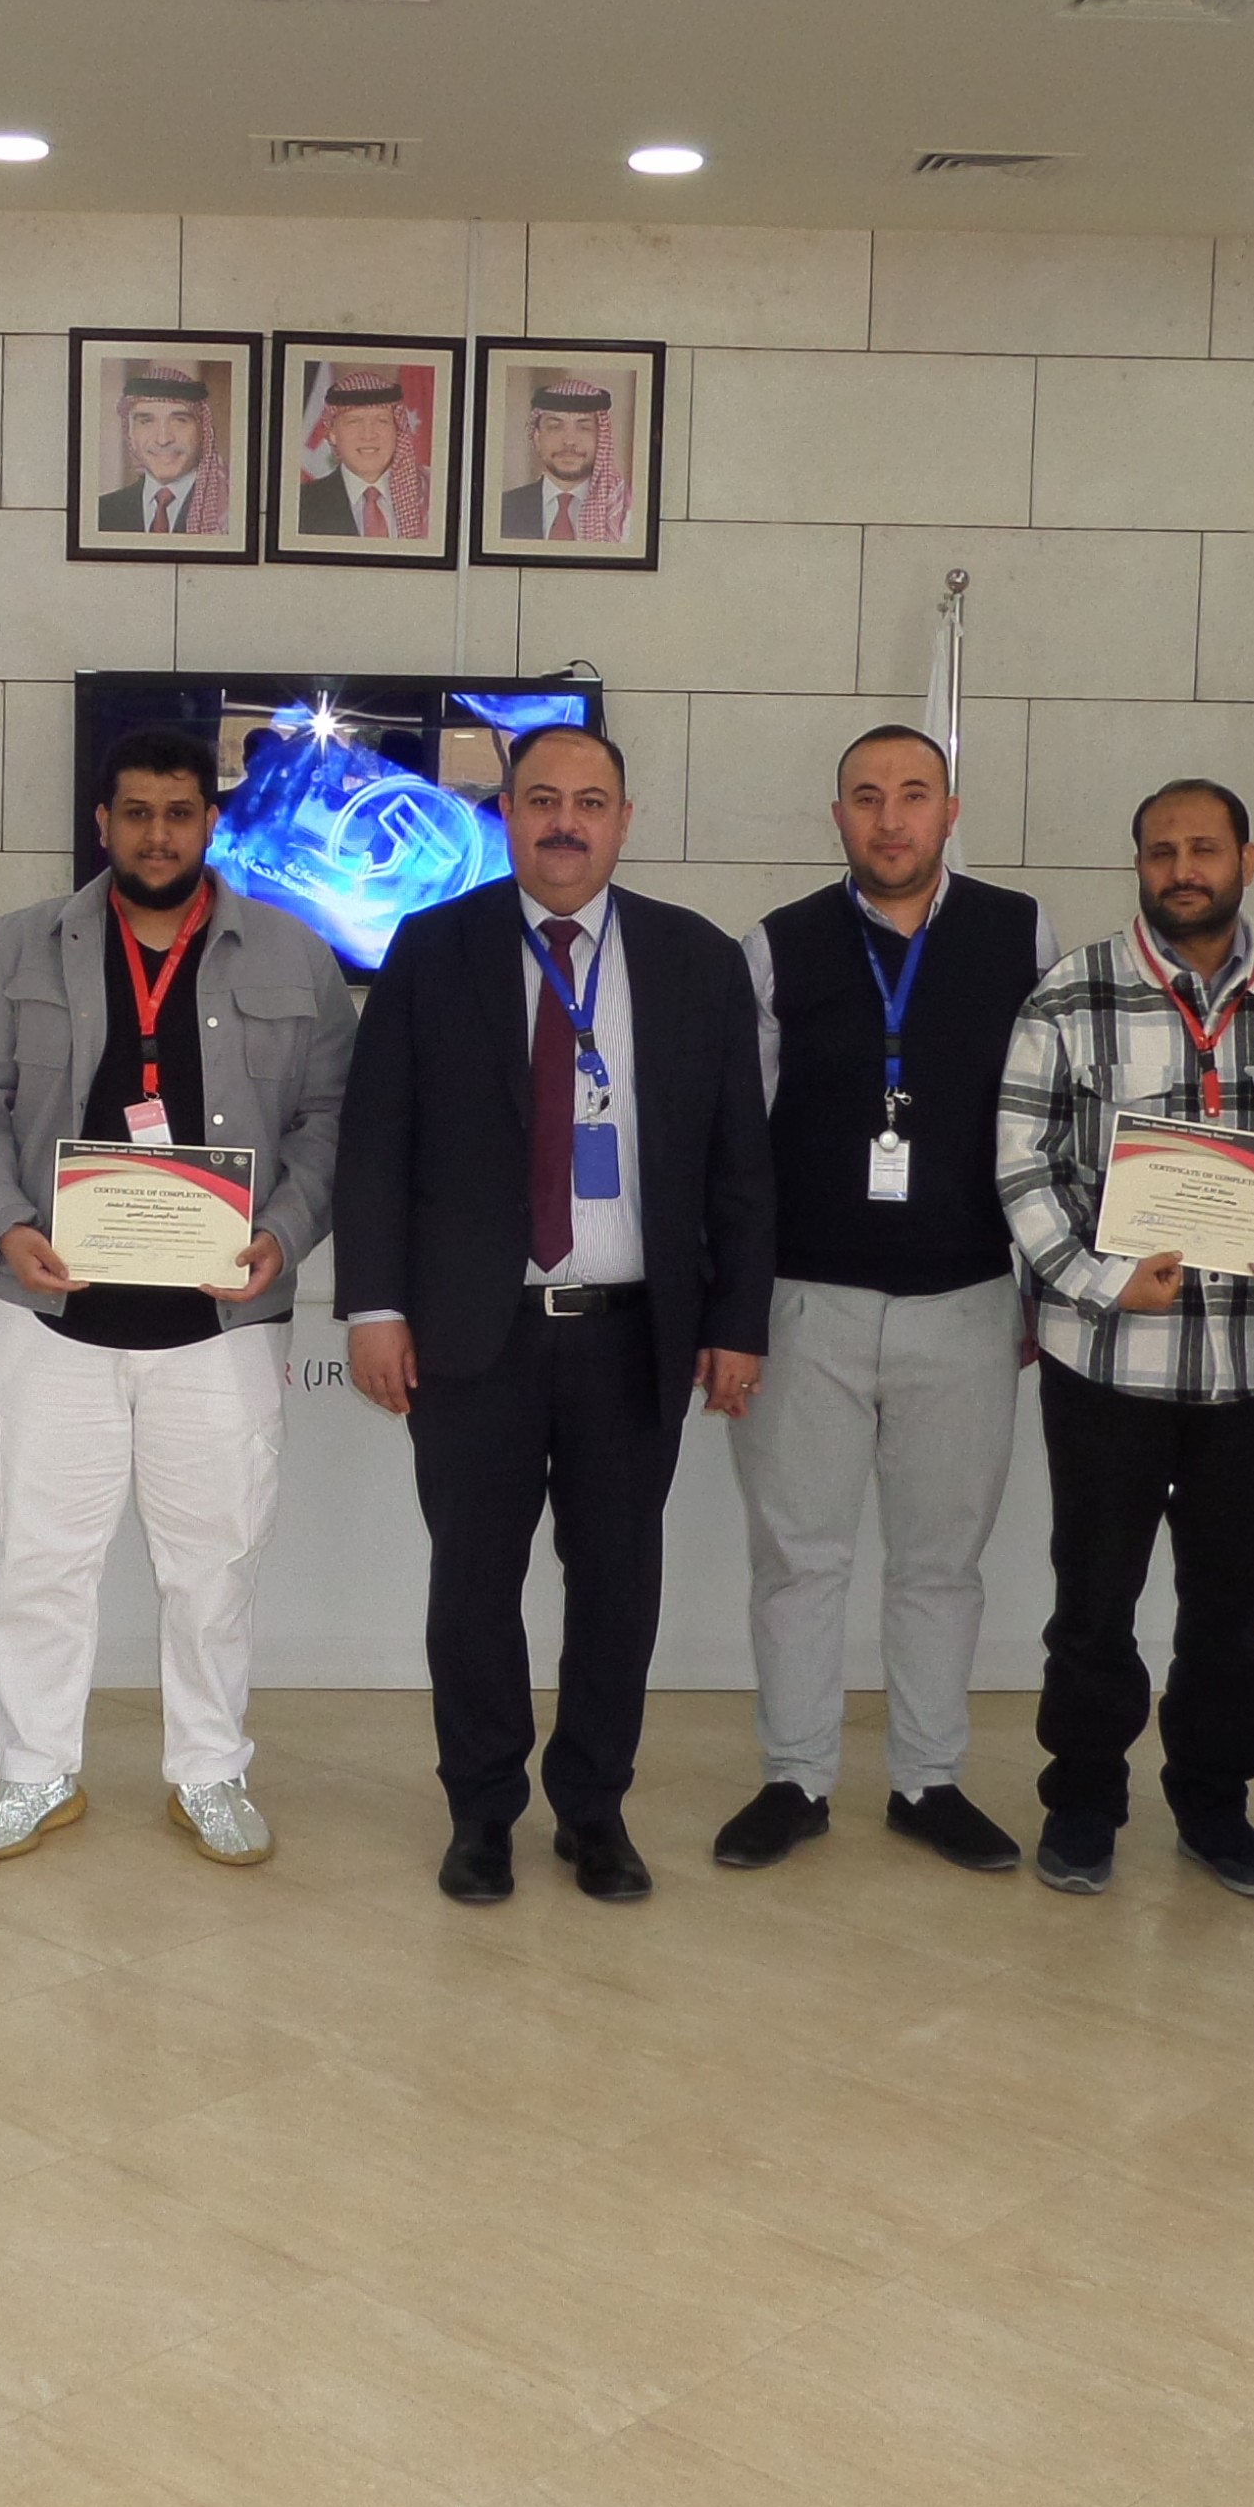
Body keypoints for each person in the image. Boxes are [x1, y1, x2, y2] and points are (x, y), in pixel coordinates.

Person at [336, 721, 772, 1903]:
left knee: (618, 1582)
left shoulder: (695, 960)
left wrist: (738, 1323)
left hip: (637, 1334)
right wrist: (374, 1305)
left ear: (626, 821)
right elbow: (376, 1144)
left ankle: (595, 1810)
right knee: (472, 1582)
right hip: (476, 1332)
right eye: (540, 799)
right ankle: (482, 1813)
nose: (564, 821)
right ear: (507, 816)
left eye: (590, 800)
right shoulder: (431, 949)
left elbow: (740, 1164)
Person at [0, 727, 355, 1867]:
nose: (158, 834)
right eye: (136, 812)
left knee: (214, 1564)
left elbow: (330, 1121)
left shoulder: (291, 953)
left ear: (210, 824)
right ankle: (33, 1771)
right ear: (103, 823)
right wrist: (5, 1226)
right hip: (49, 1311)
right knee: (34, 1557)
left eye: (179, 812)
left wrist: (285, 1234)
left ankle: (211, 1773)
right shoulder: (22, 945)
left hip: (219, 1321)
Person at [993, 777, 1254, 1899]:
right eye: (1160, 852)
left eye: (1204, 849)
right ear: (1137, 864)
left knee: (1234, 1607)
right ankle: (1085, 1802)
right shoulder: (1070, 994)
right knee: (1093, 1599)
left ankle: (1215, 1805)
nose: (1182, 870)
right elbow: (1021, 1166)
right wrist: (1100, 1280)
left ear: (1250, 858)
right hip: (1109, 1361)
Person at [714, 724, 1053, 1878]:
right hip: (807, 1301)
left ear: (952, 812)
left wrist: (1045, 1292)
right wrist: (738, 1313)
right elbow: (736, 1151)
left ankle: (929, 1779)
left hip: (966, 1301)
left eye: (915, 796)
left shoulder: (1023, 936)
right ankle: (796, 1777)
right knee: (798, 1559)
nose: (891, 818)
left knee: (940, 1563)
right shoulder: (777, 947)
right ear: (838, 816)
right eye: (867, 797)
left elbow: (1054, 1123)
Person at [94, 363, 225, 538]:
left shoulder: (227, 513)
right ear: (130, 433)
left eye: (180, 420)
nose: (163, 439)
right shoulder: (101, 512)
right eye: (146, 421)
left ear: (203, 432)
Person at [494, 379, 624, 548]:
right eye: (555, 427)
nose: (569, 441)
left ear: (601, 438)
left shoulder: (624, 513)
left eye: (584, 428)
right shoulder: (502, 510)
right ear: (536, 437)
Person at [296, 370, 415, 546]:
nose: (368, 435)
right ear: (333, 434)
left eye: (381, 420)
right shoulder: (302, 505)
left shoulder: (427, 500)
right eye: (354, 421)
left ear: (397, 430)